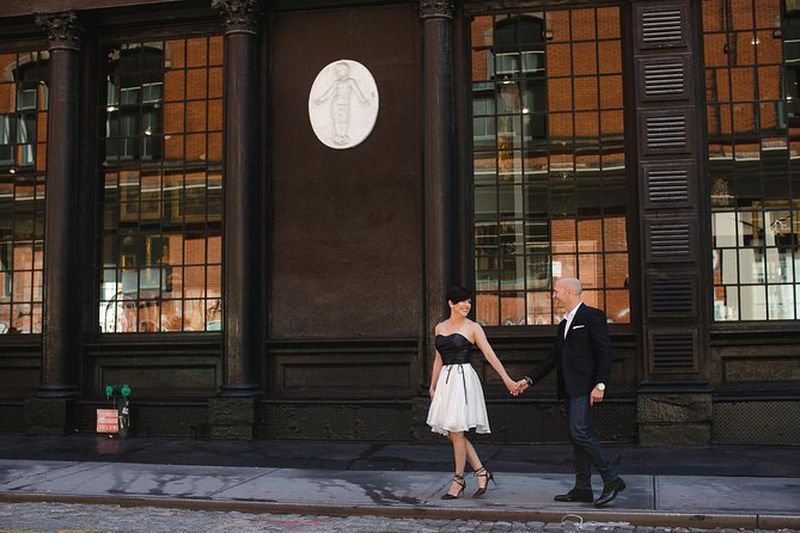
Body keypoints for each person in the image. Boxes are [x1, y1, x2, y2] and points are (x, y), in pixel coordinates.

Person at [516, 277, 626, 507]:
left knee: (580, 433)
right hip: (568, 387)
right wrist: (529, 379)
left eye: (556, 292)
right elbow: (553, 357)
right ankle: (582, 488)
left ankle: (612, 479)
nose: (554, 296)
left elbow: (604, 352)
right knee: (577, 439)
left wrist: (600, 384)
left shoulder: (592, 316)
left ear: (569, 292)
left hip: (585, 387)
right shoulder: (563, 323)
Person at [426, 286, 521, 499]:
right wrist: (432, 385)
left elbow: (490, 355)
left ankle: (458, 481)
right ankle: (481, 472)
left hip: (462, 381)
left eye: (469, 301)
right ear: (451, 303)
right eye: (462, 301)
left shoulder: (473, 328)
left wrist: (507, 379)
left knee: (457, 432)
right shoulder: (439, 327)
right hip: (446, 383)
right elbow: (438, 359)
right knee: (452, 433)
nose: (467, 305)